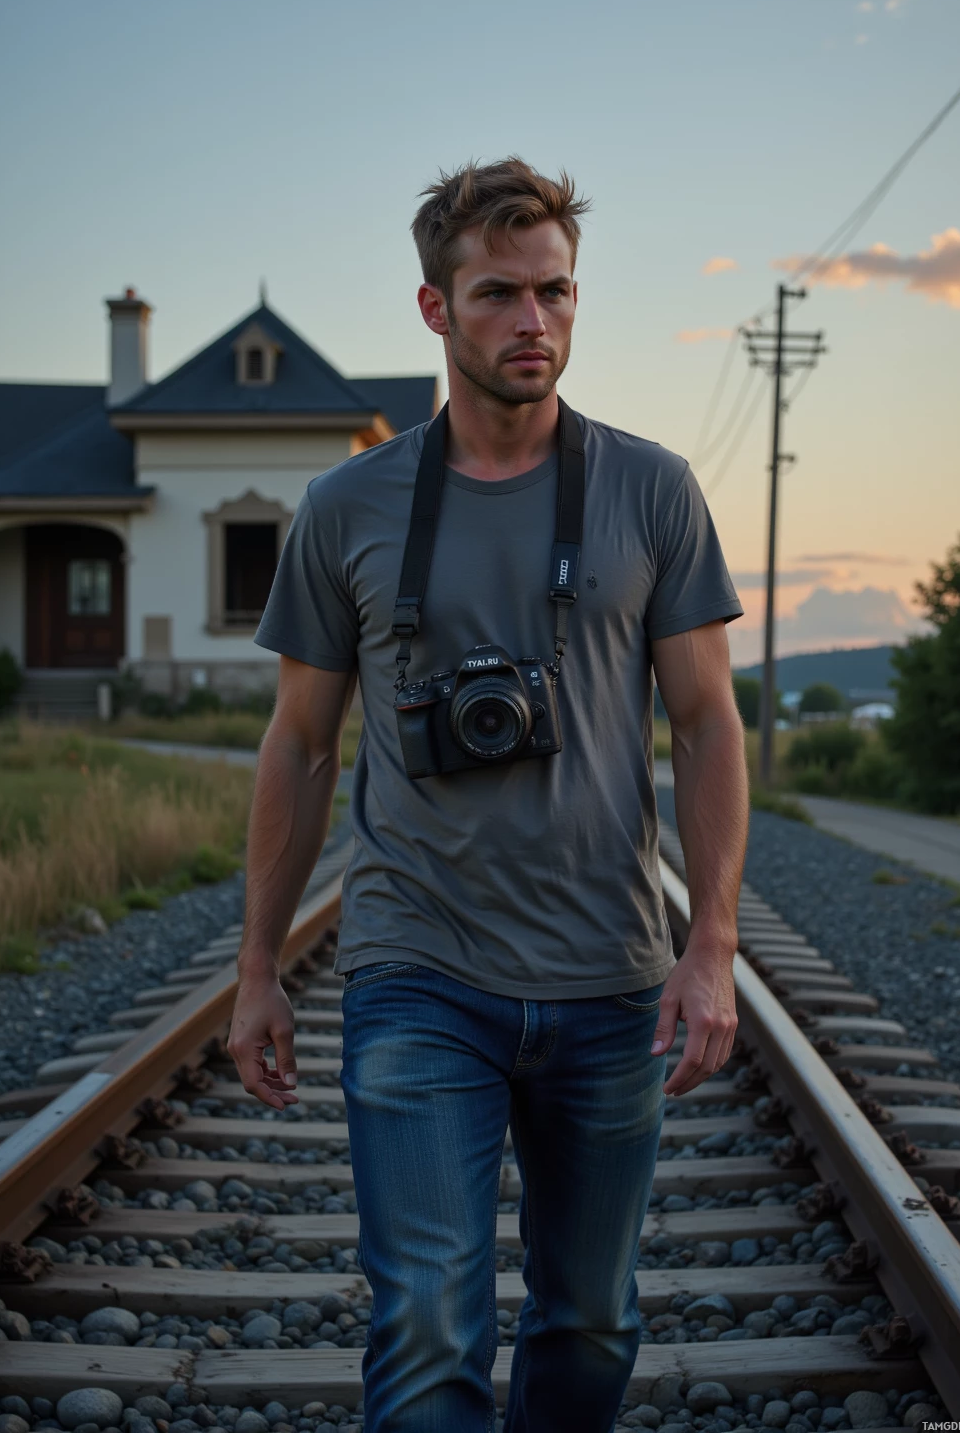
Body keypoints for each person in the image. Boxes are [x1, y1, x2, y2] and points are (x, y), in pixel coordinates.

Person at [228, 156, 749, 1433]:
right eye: (499, 294)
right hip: (417, 969)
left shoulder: (650, 489)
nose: (534, 320)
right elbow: (299, 746)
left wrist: (711, 943)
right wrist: (254, 968)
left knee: (591, 1318)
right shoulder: (347, 505)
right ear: (434, 308)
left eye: (555, 292)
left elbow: (704, 724)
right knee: (425, 1320)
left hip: (608, 975)